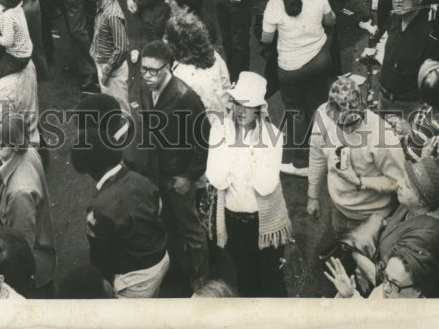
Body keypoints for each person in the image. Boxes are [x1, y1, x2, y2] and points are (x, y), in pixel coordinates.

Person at [70, 94, 170, 298]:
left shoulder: (100, 207)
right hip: (160, 255)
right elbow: (156, 204)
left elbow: (104, 253)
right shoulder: (135, 175)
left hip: (136, 274)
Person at [204, 71, 291, 297]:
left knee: (272, 280)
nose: (241, 111)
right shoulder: (219, 129)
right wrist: (249, 162)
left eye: (248, 105)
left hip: (264, 221)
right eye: (237, 104)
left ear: (259, 109)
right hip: (233, 220)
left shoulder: (273, 136)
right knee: (245, 279)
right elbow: (216, 178)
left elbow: (266, 185)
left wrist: (232, 158)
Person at [137, 39, 209, 292]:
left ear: (168, 67)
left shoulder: (186, 97)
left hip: (177, 176)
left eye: (153, 70)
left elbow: (203, 140)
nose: (147, 75)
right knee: (165, 223)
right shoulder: (146, 88)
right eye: (143, 69)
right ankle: (176, 270)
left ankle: (200, 279)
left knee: (191, 229)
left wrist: (188, 177)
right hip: (155, 173)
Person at [307, 76, 405, 237]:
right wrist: (313, 196)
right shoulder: (322, 116)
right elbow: (317, 156)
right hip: (338, 210)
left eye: (354, 122)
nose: (348, 129)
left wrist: (361, 182)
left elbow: (400, 182)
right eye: (342, 124)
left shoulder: (383, 136)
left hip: (373, 217)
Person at [337, 154, 439, 298]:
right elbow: (390, 223)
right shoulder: (410, 206)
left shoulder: (426, 236)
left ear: (421, 201)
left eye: (407, 185)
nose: (398, 184)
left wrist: (354, 250)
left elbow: (384, 277)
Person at [261, 0, 335, 174]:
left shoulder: (274, 4)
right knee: (317, 107)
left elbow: (266, 38)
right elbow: (331, 20)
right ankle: (318, 154)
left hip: (290, 68)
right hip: (320, 61)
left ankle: (300, 160)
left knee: (295, 112)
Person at [0, 112, 57, 297]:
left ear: (16, 142)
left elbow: (20, 243)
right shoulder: (28, 151)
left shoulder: (20, 192)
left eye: (0, 145)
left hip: (33, 270)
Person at [378, 0, 439, 118]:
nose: (397, 0)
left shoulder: (430, 35)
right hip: (383, 99)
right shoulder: (395, 18)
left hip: (408, 108)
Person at [165, 7, 231, 116]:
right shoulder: (215, 56)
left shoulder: (180, 77)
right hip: (220, 119)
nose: (164, 39)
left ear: (177, 44)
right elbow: (226, 86)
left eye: (168, 37)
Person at [88, 0, 130, 113]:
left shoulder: (112, 15)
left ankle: (126, 135)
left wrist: (106, 70)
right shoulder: (102, 4)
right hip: (104, 64)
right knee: (109, 108)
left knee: (120, 111)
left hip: (113, 71)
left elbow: (122, 48)